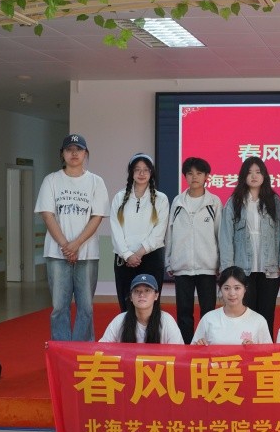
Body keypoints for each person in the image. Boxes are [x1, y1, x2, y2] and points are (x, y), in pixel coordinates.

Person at [35, 134, 109, 342]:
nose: (74, 154)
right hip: (56, 253)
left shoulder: (96, 182)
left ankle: (82, 349)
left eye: (79, 150)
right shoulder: (51, 180)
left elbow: (97, 217)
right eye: (69, 150)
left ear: (86, 154)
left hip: (87, 254)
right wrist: (66, 246)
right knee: (59, 306)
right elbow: (47, 215)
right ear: (62, 154)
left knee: (86, 307)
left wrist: (76, 244)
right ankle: (62, 349)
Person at [220, 157, 280, 336]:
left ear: (264, 175)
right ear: (243, 176)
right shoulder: (234, 202)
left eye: (258, 172)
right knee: (245, 313)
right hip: (243, 268)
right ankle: (244, 347)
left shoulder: (274, 201)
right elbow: (226, 236)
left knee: (267, 312)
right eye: (249, 172)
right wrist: (228, 268)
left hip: (270, 267)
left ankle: (265, 348)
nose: (254, 176)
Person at [166, 157, 222, 345]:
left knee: (208, 312)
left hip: (208, 266)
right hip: (182, 266)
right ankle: (186, 348)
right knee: (184, 313)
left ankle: (208, 346)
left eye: (199, 173)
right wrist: (169, 261)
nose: (194, 177)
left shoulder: (214, 202)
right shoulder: (177, 202)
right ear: (185, 176)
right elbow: (170, 233)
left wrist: (221, 263)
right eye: (190, 173)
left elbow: (219, 234)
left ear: (206, 176)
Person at [109, 153, 169, 311]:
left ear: (151, 172)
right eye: (137, 169)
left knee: (150, 305)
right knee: (127, 304)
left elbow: (159, 232)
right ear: (131, 172)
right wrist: (127, 254)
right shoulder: (119, 197)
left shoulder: (161, 199)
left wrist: (139, 253)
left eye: (146, 170)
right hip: (124, 259)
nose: (142, 173)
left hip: (151, 257)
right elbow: (115, 228)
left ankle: (151, 329)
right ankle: (129, 329)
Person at [192, 266, 272, 345]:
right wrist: (199, 346)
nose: (232, 293)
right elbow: (193, 349)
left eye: (237, 288)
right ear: (220, 289)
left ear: (245, 289)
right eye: (226, 288)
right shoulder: (209, 319)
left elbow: (268, 352)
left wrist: (254, 349)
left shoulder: (259, 321)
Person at [99, 274, 183, 344]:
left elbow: (179, 353)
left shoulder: (167, 321)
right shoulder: (120, 320)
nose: (142, 294)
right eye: (137, 291)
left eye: (147, 290)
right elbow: (102, 348)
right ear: (131, 297)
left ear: (156, 296)